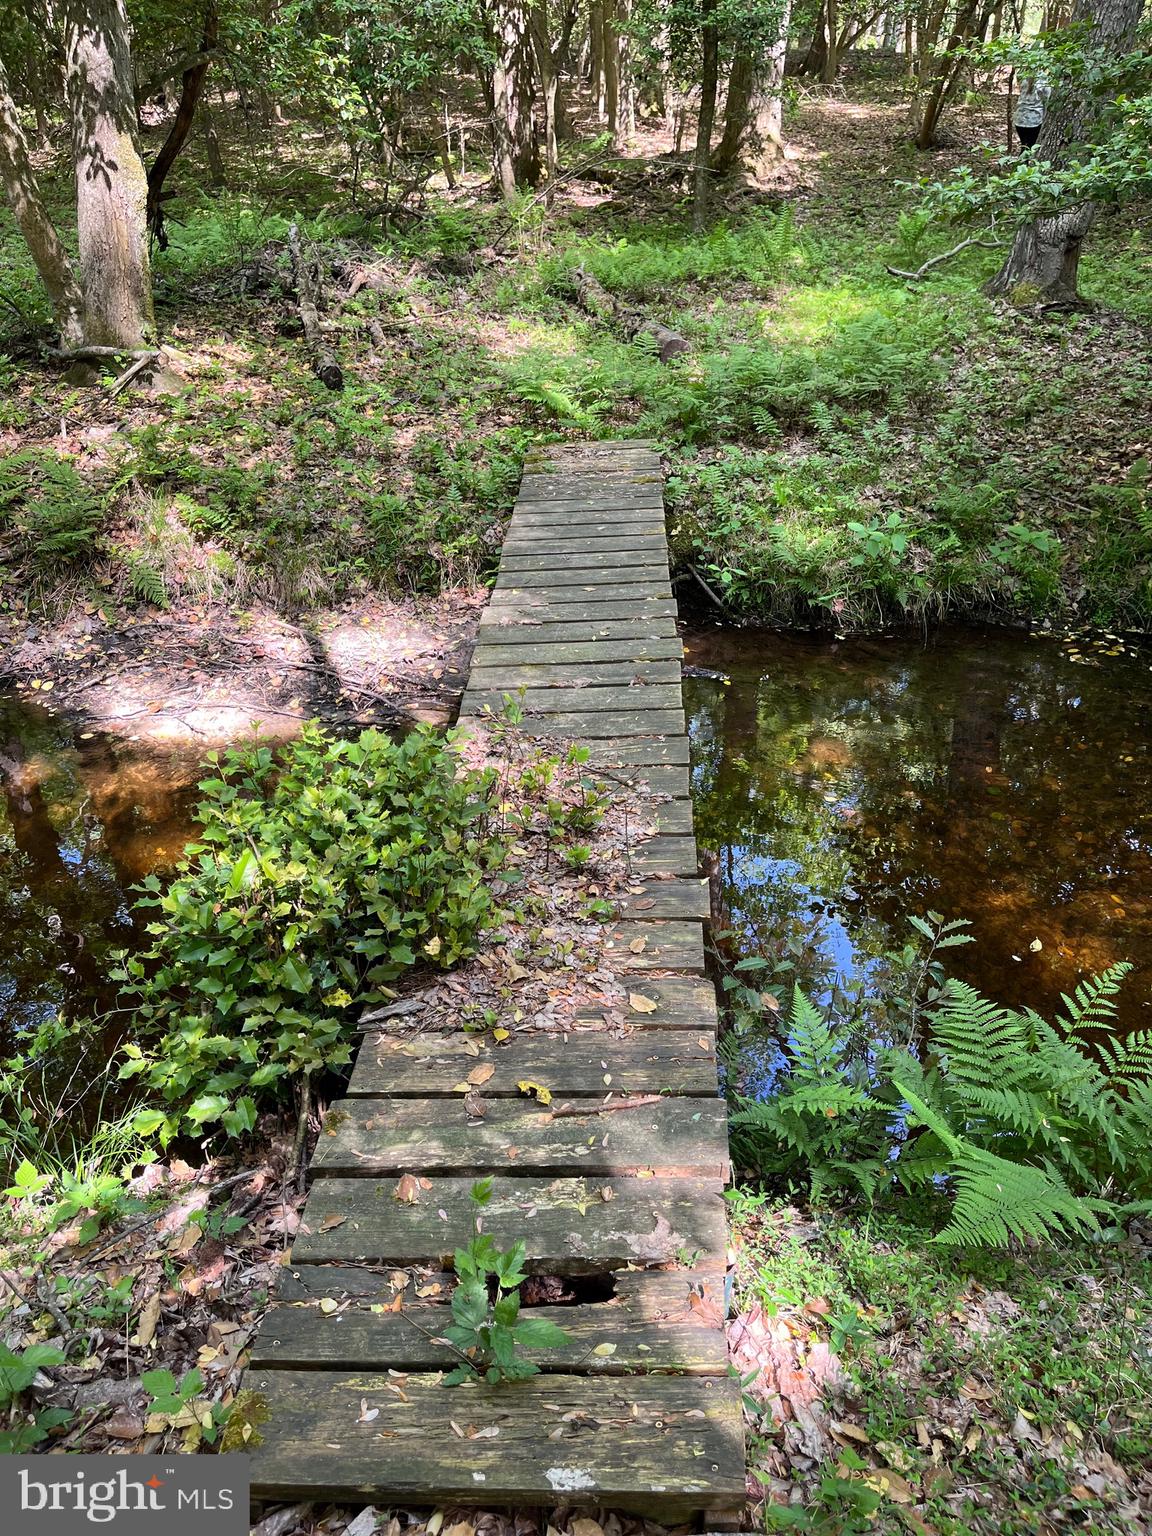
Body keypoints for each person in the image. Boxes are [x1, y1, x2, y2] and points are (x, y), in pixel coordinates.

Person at [1014, 74, 1051, 150]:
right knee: (1031, 147)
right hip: (1034, 120)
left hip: (1020, 119)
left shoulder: (1025, 79)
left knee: (1024, 145)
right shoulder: (1044, 82)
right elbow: (1047, 102)